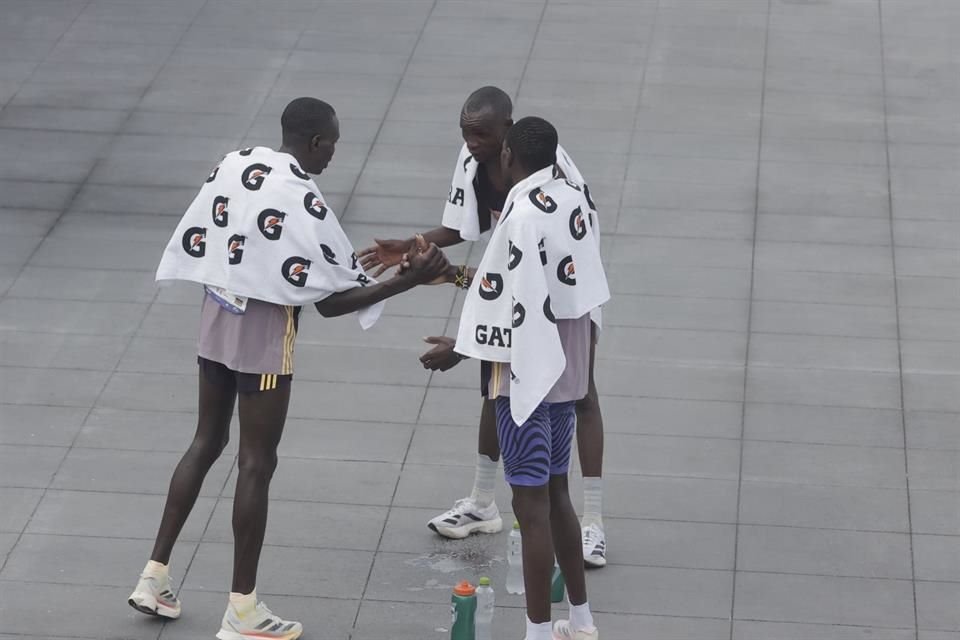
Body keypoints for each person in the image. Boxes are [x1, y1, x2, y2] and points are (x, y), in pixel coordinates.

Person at [128, 97, 448, 640]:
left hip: (215, 319)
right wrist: (409, 280)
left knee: (205, 442)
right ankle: (243, 610)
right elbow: (331, 300)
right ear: (318, 142)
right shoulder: (301, 195)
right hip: (264, 336)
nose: (332, 157)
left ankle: (153, 577)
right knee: (257, 463)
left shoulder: (236, 163)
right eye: (334, 145)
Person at [358, 86, 609, 567]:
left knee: (582, 396)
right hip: (516, 275)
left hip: (570, 289)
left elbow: (544, 269)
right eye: (465, 133)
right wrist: (412, 245)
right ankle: (480, 501)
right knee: (498, 386)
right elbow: (462, 227)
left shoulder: (552, 181)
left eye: (482, 135)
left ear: (508, 134)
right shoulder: (474, 159)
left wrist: (462, 325)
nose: (471, 143)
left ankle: (593, 523)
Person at [412, 117, 607, 640]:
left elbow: (510, 302)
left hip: (525, 370)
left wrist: (460, 348)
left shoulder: (519, 213)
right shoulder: (570, 199)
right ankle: (581, 620)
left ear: (506, 158)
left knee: (529, 504)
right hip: (568, 365)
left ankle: (538, 631)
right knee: (556, 493)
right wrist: (449, 275)